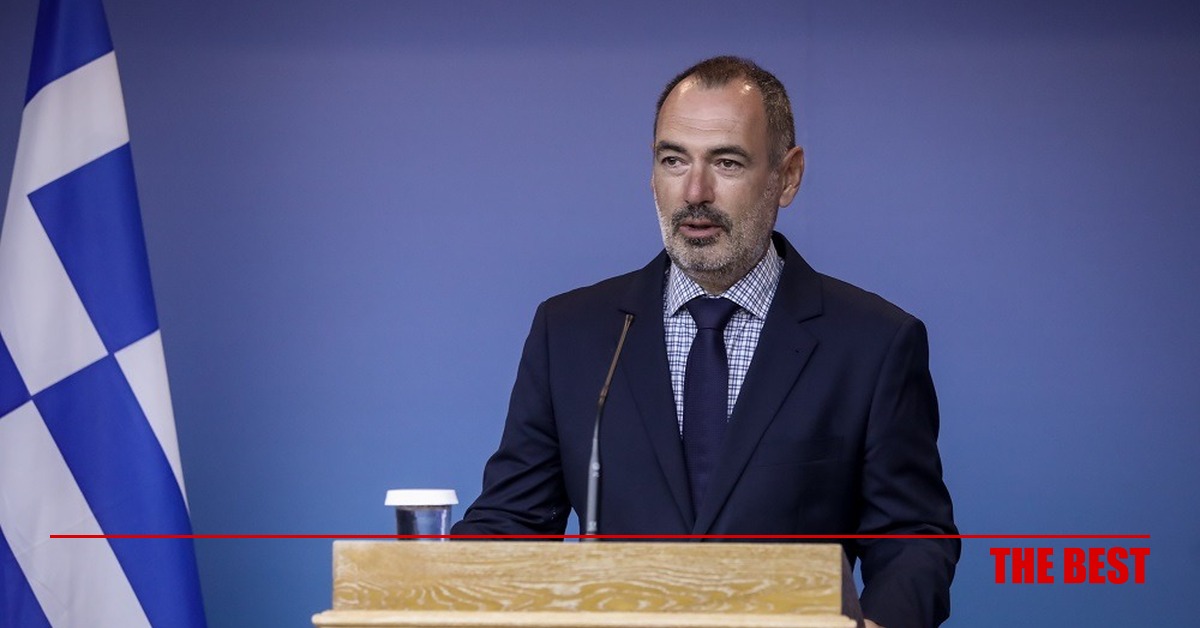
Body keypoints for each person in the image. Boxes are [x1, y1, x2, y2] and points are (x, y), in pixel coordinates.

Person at [452, 56, 959, 628]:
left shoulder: (874, 343)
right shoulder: (570, 332)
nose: (695, 191)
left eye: (727, 162)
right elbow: (511, 523)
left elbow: (912, 539)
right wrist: (435, 588)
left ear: (788, 176)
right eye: (674, 160)